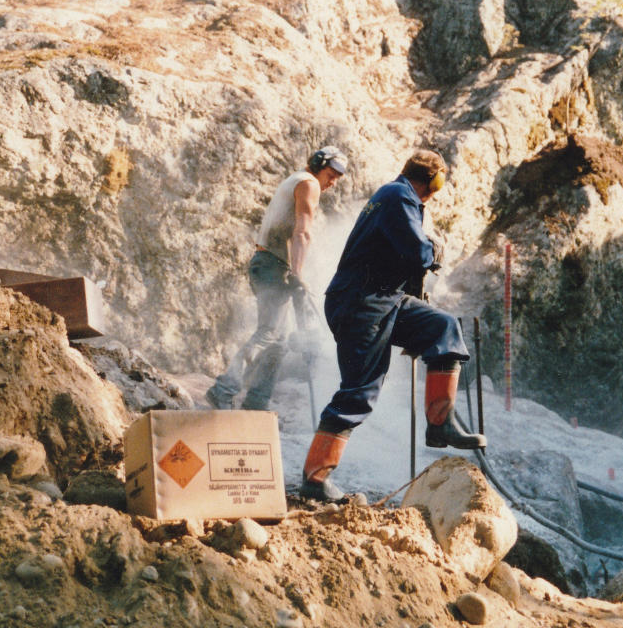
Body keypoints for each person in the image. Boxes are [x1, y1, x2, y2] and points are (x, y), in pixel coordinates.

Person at [300, 148, 485, 502]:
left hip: (383, 299)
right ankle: (315, 478)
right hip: (362, 303)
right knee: (359, 391)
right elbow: (417, 253)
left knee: (442, 328)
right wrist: (435, 250)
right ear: (434, 181)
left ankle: (440, 422)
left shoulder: (395, 197)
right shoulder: (399, 195)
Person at [206, 146, 347, 411]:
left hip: (267, 263)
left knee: (278, 342)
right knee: (270, 333)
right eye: (331, 174)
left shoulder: (295, 180)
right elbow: (302, 232)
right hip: (274, 264)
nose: (333, 182)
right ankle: (224, 388)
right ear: (318, 165)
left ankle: (256, 402)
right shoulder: (308, 183)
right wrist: (297, 272)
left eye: (338, 178)